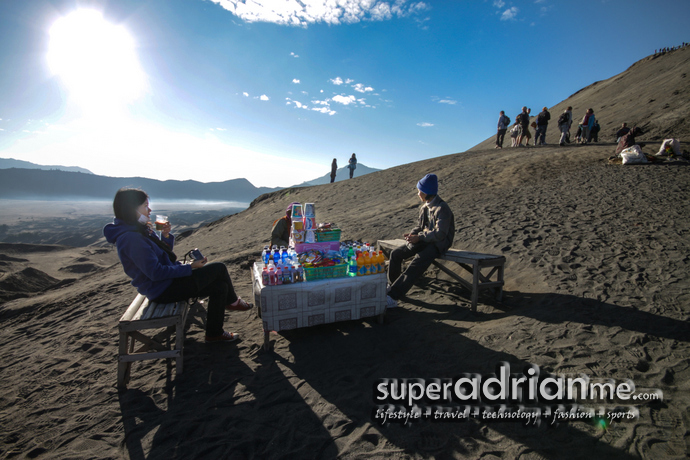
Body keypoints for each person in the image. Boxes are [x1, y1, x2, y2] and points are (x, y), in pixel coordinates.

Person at [103, 188, 251, 343]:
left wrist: (165, 237)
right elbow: (155, 272)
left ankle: (214, 334)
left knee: (220, 286)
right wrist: (190, 267)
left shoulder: (137, 229)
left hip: (166, 284)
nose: (149, 210)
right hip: (163, 289)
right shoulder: (131, 238)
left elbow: (160, 256)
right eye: (145, 206)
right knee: (219, 268)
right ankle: (232, 302)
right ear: (131, 208)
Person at [386, 174, 455, 308]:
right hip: (425, 240)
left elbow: (440, 234)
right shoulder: (425, 207)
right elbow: (420, 226)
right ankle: (393, 287)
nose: (418, 194)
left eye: (420, 191)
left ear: (427, 193)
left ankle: (394, 297)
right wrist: (413, 233)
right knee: (396, 254)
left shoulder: (442, 209)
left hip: (438, 244)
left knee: (417, 262)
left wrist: (420, 237)